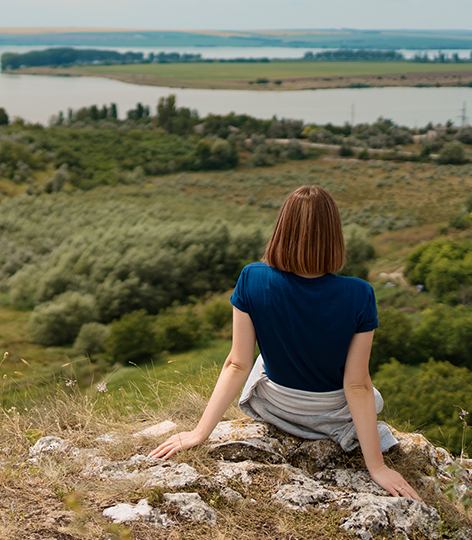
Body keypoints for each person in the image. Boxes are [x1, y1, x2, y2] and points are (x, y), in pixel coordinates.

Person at [149, 185, 420, 501]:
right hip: (331, 417)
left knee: (262, 358)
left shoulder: (251, 278)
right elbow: (355, 385)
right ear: (335, 236)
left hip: (276, 409)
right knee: (371, 393)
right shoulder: (360, 294)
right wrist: (377, 468)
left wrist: (199, 433)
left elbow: (238, 363)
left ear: (282, 229)